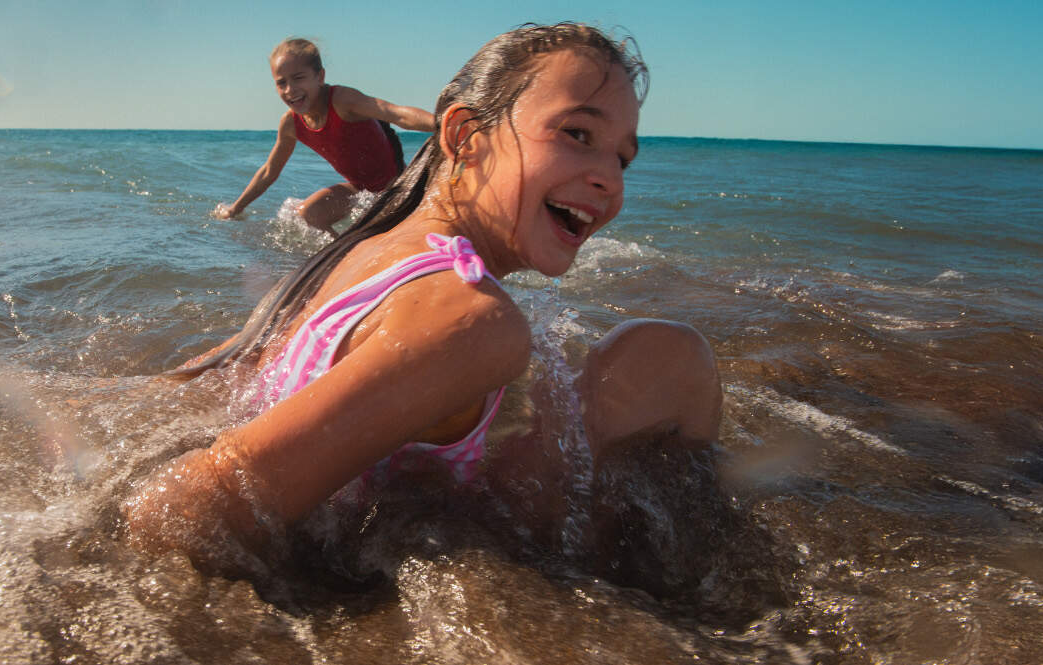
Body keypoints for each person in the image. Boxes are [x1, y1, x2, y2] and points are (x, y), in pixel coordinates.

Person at [132, 23, 720, 571]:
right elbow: (191, 511)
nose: (610, 180)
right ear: (465, 135)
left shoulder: (367, 248)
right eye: (577, 134)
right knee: (667, 357)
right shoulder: (470, 318)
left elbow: (218, 366)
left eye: (621, 158)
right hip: (380, 555)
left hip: (347, 497)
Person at [212, 38, 438, 236]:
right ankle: (343, 256)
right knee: (308, 215)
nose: (290, 89)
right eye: (281, 82)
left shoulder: (342, 101)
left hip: (398, 185)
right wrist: (236, 208)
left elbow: (395, 113)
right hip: (359, 190)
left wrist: (442, 123)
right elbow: (270, 170)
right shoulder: (291, 123)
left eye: (298, 78)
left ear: (320, 77)